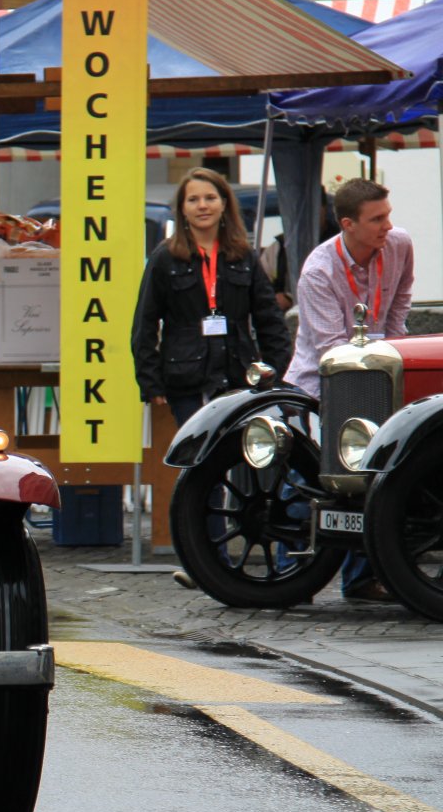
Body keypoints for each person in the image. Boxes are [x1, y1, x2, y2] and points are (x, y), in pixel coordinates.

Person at [283, 177, 414, 603]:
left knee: (375, 477)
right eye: (377, 219)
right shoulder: (318, 271)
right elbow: (330, 350)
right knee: (306, 474)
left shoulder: (399, 245)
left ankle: (361, 579)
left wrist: (394, 358)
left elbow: (399, 304)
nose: (387, 226)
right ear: (348, 224)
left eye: (388, 215)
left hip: (379, 374)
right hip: (322, 381)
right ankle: (290, 573)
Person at [132, 167, 292, 427]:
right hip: (186, 379)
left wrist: (273, 372)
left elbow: (270, 320)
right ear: (182, 209)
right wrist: (150, 382)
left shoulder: (244, 255)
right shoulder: (165, 257)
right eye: (193, 200)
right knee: (198, 447)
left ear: (224, 204)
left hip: (239, 376)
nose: (202, 206)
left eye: (210, 198)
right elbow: (144, 323)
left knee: (239, 447)